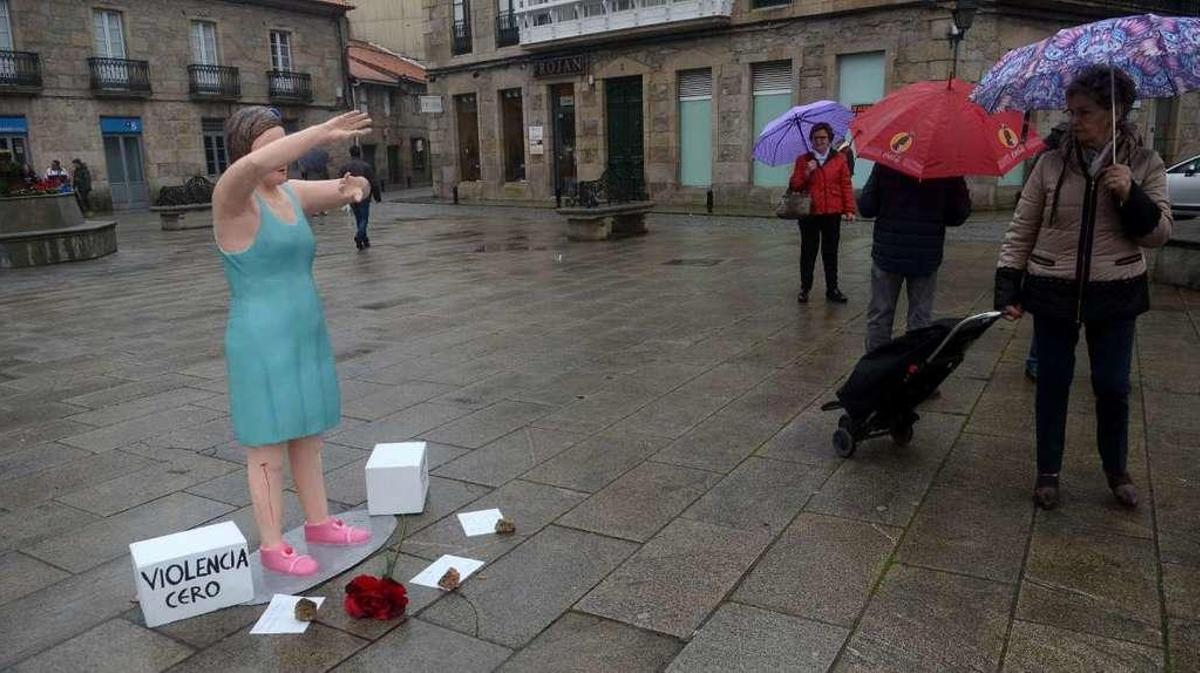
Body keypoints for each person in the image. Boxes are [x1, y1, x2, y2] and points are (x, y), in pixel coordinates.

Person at [994, 66, 1172, 510]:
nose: (1074, 120)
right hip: (1053, 285)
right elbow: (1023, 225)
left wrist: (1132, 194)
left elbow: (1159, 233)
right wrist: (1008, 282)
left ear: (1115, 113)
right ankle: (1048, 472)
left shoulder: (1145, 162)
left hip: (1116, 289)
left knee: (1112, 386)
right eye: (1070, 111)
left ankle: (1116, 470)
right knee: (1052, 382)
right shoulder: (1051, 162)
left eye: (1085, 111)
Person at [213, 107, 374, 576]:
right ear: (246, 153)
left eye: (284, 143)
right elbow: (248, 170)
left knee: (308, 434)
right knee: (266, 447)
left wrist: (352, 188)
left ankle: (320, 522)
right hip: (261, 338)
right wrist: (320, 132)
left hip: (305, 330)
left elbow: (334, 191)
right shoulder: (233, 196)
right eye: (272, 146)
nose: (283, 156)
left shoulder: (286, 192)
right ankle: (271, 544)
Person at [858, 164, 971, 352]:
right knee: (920, 318)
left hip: (889, 251)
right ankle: (913, 369)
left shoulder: (887, 162)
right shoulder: (947, 167)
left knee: (880, 315)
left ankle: (876, 369)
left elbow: (867, 207)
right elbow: (957, 216)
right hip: (925, 255)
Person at [789, 122, 856, 304]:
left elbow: (845, 185)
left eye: (823, 138)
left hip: (831, 213)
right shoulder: (803, 160)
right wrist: (807, 172)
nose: (820, 141)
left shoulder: (839, 159)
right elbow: (795, 185)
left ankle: (832, 288)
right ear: (811, 140)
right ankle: (805, 288)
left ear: (830, 139)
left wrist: (849, 209)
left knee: (831, 252)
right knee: (808, 252)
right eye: (816, 138)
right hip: (809, 213)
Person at [1023, 123, 1069, 382]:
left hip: (1049, 245)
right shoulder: (1049, 160)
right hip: (1050, 246)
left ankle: (1036, 360)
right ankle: (1036, 360)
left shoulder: (1044, 152)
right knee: (1049, 312)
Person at [339, 145, 377, 250]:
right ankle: (359, 236)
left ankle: (364, 239)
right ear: (359, 153)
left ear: (350, 153)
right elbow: (373, 182)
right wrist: (377, 195)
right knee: (364, 218)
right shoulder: (366, 166)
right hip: (364, 195)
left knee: (358, 218)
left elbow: (340, 182)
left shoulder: (344, 167)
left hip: (351, 195)